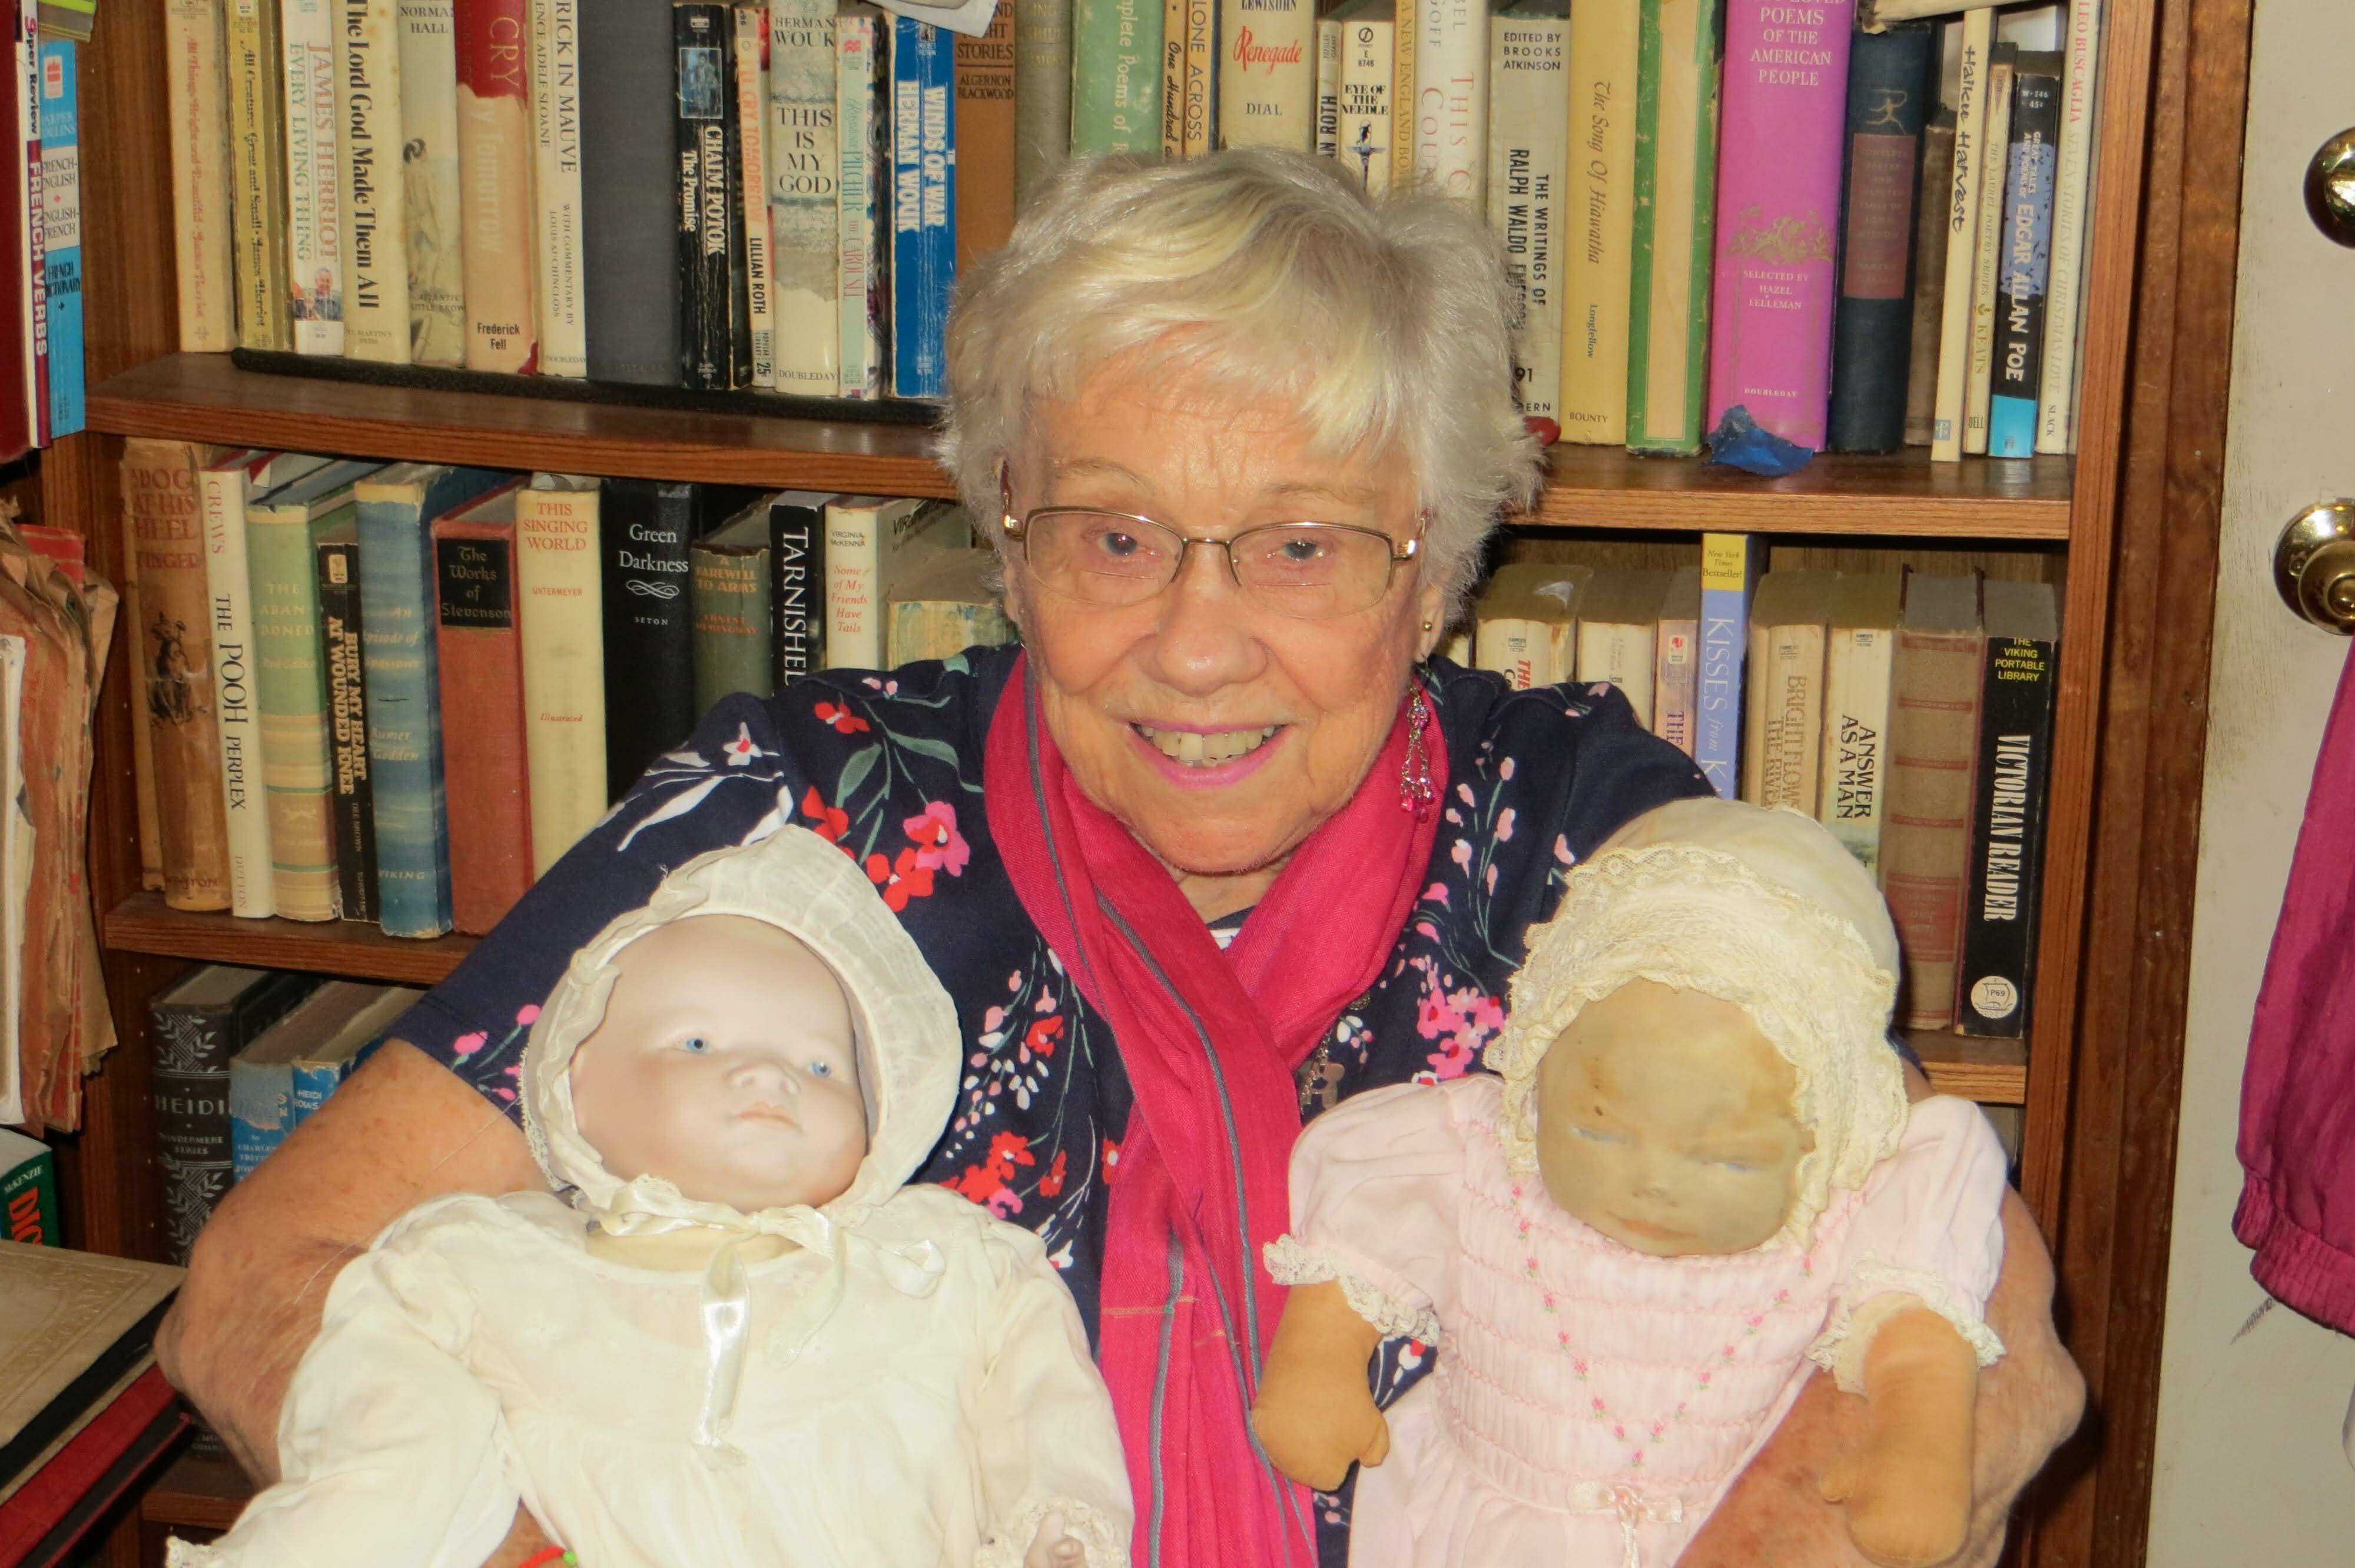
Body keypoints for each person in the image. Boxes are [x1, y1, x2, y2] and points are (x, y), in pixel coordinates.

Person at [161, 150, 2082, 1568]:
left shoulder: (1584, 834)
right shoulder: (811, 805)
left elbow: (1972, 1320)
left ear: (1443, 563)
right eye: (1114, 534)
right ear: (1004, 535)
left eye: (1307, 544)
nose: (1196, 639)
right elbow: (271, 1274)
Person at [168, 827, 1126, 1568]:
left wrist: (1057, 1532)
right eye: (699, 1044)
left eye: (822, 1062)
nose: (769, 1078)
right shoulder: (476, 1268)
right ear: (577, 1085)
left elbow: (1044, 1414)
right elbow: (385, 1445)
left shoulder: (946, 1267)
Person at [1251, 798, 2008, 1568]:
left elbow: (1918, 1339)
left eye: (1727, 1160)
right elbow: (1359, 1245)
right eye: (1598, 1129)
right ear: (1541, 1060)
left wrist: (1919, 1451)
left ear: (1827, 1134)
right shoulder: (1471, 1154)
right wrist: (1318, 1368)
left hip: (1740, 1535)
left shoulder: (1856, 1208)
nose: (1651, 1183)